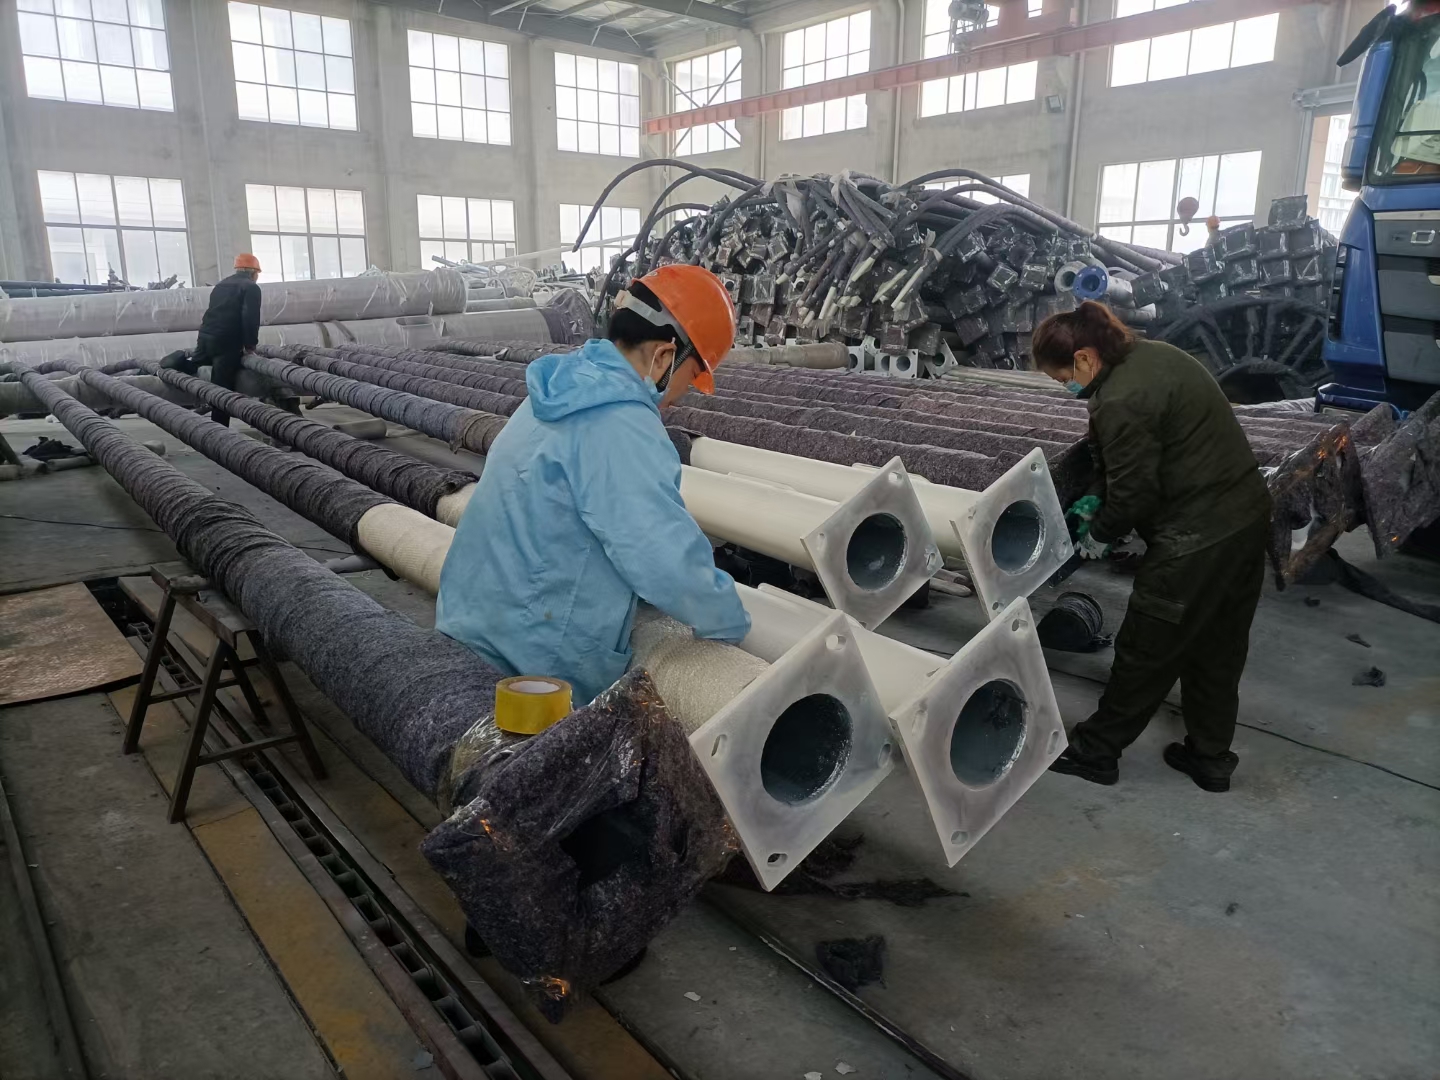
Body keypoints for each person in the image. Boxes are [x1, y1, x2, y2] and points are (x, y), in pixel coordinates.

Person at [435, 264, 752, 705]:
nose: (683, 394)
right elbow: (660, 554)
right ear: (665, 356)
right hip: (534, 664)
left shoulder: (563, 389)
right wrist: (730, 620)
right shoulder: (621, 422)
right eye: (691, 377)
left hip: (475, 622)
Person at [1033, 301, 1271, 792]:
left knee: (1148, 644)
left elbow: (1135, 492)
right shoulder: (1155, 356)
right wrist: (1098, 491)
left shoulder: (1121, 397)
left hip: (1196, 534)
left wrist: (1100, 532)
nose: (1067, 387)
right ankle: (1210, 757)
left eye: (1064, 378)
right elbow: (1133, 458)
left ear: (1084, 357)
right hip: (1245, 518)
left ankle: (1096, 752)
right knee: (1218, 644)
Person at [165, 253, 263, 427]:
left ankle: (177, 361)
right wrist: (250, 346)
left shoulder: (221, 285)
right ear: (253, 272)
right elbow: (250, 318)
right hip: (227, 341)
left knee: (195, 367)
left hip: (206, 336)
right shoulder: (251, 287)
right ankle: (220, 429)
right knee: (222, 388)